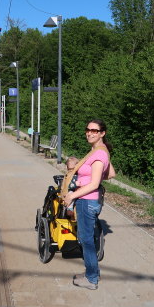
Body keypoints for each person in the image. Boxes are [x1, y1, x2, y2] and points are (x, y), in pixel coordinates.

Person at [62, 118, 112, 290]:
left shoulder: (99, 154)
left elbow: (94, 184)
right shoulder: (99, 150)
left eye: (95, 131)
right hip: (89, 199)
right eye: (88, 130)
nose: (90, 133)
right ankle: (92, 272)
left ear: (102, 133)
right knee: (87, 239)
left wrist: (72, 195)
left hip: (87, 200)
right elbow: (111, 173)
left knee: (86, 240)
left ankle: (91, 279)